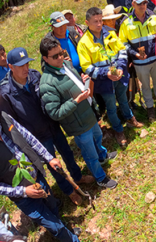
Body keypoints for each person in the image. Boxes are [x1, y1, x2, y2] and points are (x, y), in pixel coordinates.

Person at [0, 47, 94, 205]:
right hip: (37, 135)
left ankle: (78, 177)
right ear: (10, 66)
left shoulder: (35, 75)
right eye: (21, 66)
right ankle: (69, 190)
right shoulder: (5, 92)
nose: (26, 68)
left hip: (52, 125)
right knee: (53, 164)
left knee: (67, 153)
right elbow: (11, 122)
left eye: (27, 64)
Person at [39, 36, 118, 189]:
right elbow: (54, 113)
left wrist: (83, 81)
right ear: (45, 59)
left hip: (88, 114)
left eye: (61, 53)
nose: (60, 58)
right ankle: (100, 177)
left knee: (98, 136)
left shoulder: (66, 64)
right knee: (90, 154)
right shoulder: (47, 83)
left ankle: (103, 155)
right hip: (78, 125)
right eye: (55, 56)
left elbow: (74, 84)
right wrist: (76, 101)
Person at [0, 113, 81, 242]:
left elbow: (28, 137)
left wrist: (49, 158)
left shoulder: (5, 118)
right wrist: (24, 191)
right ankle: (69, 238)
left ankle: (64, 231)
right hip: (23, 198)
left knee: (53, 206)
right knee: (54, 226)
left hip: (37, 179)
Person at [78, 7, 143, 147]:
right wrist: (105, 74)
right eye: (95, 21)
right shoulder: (84, 43)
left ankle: (130, 118)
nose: (99, 24)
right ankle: (119, 130)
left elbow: (122, 51)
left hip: (119, 76)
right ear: (87, 22)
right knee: (111, 107)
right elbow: (87, 68)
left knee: (123, 99)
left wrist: (119, 68)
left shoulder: (111, 33)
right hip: (104, 83)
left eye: (100, 20)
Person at [119, 0, 156, 122]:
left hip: (155, 59)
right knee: (145, 86)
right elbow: (122, 43)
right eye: (139, 4)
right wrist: (134, 54)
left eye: (145, 3)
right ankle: (150, 110)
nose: (143, 6)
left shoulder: (154, 18)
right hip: (140, 62)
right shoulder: (126, 23)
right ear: (133, 5)